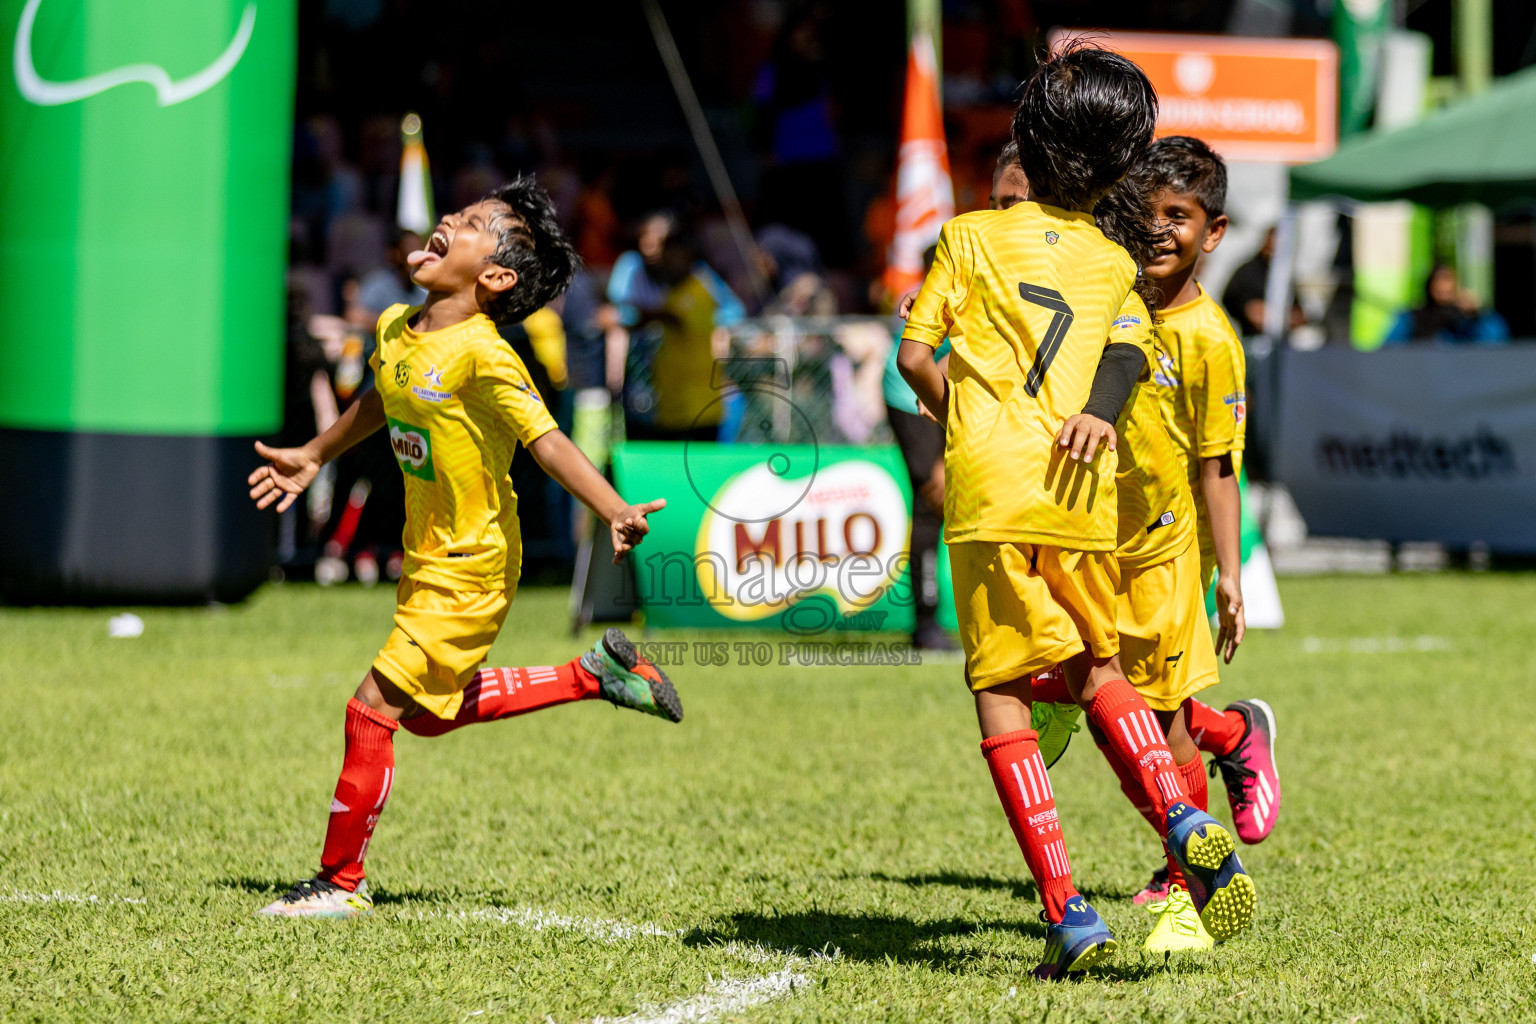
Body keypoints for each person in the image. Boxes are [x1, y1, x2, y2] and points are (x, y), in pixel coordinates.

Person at [898, 45, 1248, 980]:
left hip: (994, 491)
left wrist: (955, 404)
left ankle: (1067, 910)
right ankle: (1183, 817)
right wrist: (1091, 411)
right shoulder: (1111, 261)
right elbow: (1126, 361)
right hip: (1084, 498)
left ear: (1025, 139)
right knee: (1098, 669)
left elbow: (911, 359)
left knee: (1004, 698)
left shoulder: (972, 237)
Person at [246, 177, 683, 919]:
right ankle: (595, 674)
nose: (449, 217)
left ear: (496, 278)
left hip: (475, 561)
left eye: (475, 222)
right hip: (428, 551)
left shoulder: (487, 356)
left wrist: (609, 506)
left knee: (371, 708)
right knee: (424, 714)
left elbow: (545, 444)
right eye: (459, 211)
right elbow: (381, 397)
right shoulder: (393, 326)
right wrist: (316, 453)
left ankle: (338, 884)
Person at [1383, 263, 1510, 345]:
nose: (1443, 289)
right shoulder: (1412, 318)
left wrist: (1478, 314)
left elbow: (1497, 342)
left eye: (1448, 280)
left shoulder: (1466, 319)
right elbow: (1389, 350)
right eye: (1439, 282)